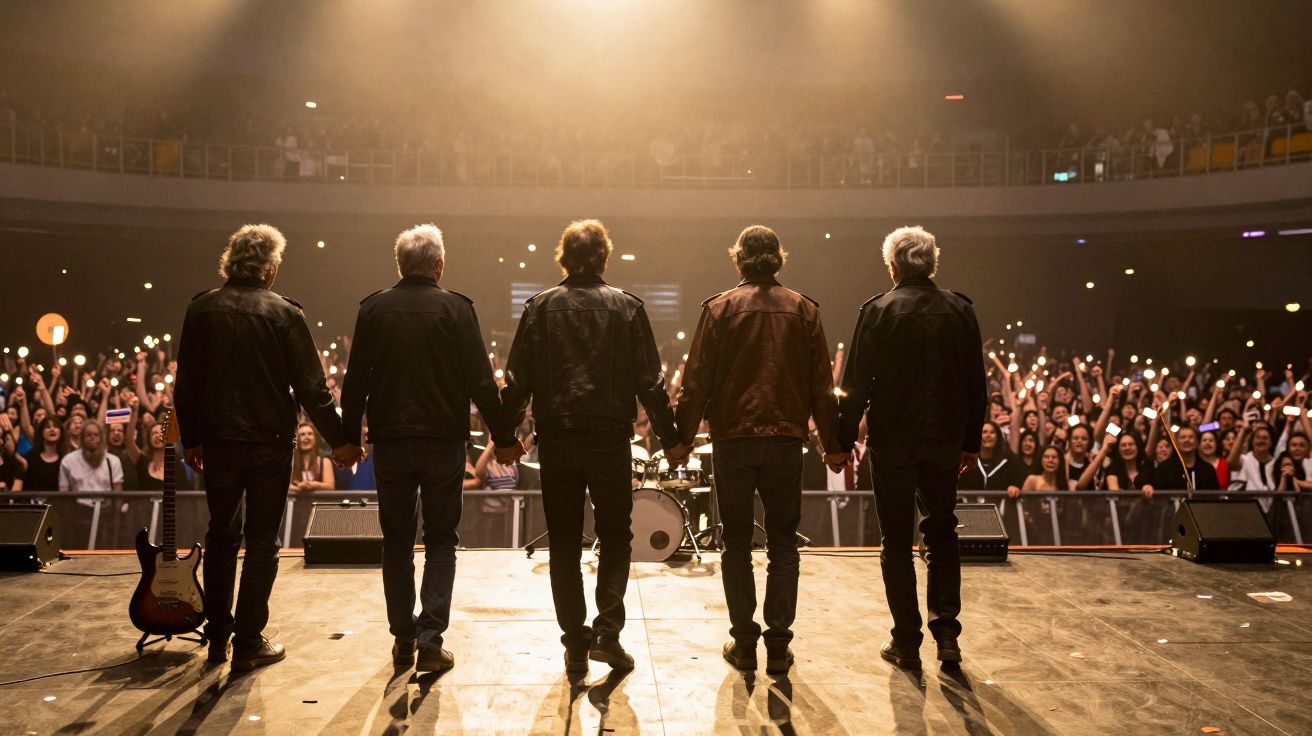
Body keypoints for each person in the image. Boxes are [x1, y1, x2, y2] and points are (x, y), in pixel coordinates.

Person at [499, 219, 688, 675]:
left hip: (557, 437)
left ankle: (574, 643)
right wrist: (672, 438)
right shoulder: (626, 308)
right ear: (605, 258)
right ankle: (608, 633)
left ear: (563, 257)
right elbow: (650, 382)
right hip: (608, 438)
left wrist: (505, 438)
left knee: (563, 541)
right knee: (617, 536)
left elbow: (517, 383)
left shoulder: (539, 308)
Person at [175, 223, 359, 672]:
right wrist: (341, 443)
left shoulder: (202, 309)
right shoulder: (285, 314)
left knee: (221, 535)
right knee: (261, 541)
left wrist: (192, 438)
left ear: (230, 262)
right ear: (271, 269)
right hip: (269, 444)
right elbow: (313, 389)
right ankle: (249, 640)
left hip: (217, 441)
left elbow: (187, 384)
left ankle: (217, 634)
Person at [341, 223, 510, 674]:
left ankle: (402, 637)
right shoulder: (457, 309)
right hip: (442, 442)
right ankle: (431, 640)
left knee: (396, 542)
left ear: (401, 265)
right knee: (440, 541)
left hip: (392, 441)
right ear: (438, 265)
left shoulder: (373, 310)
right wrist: (506, 436)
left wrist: (345, 439)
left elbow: (354, 380)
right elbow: (480, 379)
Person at [674, 225, 842, 675]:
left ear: (739, 260)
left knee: (735, 544)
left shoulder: (719, 309)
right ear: (778, 259)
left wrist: (680, 441)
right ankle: (780, 647)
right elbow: (821, 389)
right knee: (784, 546)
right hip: (787, 440)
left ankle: (744, 643)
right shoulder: (805, 311)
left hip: (733, 440)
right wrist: (833, 445)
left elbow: (696, 384)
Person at [837, 225, 986, 670]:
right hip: (944, 442)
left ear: (894, 266)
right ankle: (947, 638)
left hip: (894, 443)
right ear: (931, 264)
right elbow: (976, 384)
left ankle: (906, 641)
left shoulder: (878, 311)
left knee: (897, 541)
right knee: (943, 533)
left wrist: (842, 443)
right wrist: (971, 443)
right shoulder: (960, 310)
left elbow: (856, 385)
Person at [58, 421, 123, 492]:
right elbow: (63, 491)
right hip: (76, 502)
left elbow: (117, 492)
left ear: (101, 438)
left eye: (96, 435)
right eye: (88, 435)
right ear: (82, 438)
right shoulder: (68, 461)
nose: (92, 438)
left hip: (106, 502)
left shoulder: (113, 461)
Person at [1152, 426, 1220, 491]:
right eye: (1182, 437)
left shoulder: (1208, 469)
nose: (1187, 440)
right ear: (1176, 442)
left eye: (1191, 437)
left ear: (1197, 442)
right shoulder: (1164, 468)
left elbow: (1214, 498)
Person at [22, 416, 66, 490]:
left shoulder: (66, 459)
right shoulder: (30, 458)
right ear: (41, 432)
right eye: (47, 427)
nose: (52, 429)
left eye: (55, 426)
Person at [290, 422, 335, 494]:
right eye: (302, 434)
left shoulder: (324, 461)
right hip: (293, 504)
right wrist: (295, 488)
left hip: (316, 503)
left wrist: (312, 485)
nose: (306, 437)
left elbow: (330, 486)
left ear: (315, 438)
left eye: (310, 434)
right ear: (296, 439)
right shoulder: (289, 461)